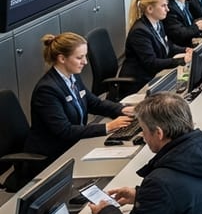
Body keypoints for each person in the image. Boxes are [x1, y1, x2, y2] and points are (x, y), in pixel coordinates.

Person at [25, 33, 135, 179]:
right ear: (62, 58)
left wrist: (122, 109)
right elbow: (64, 130)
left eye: (85, 56)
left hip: (74, 144)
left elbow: (93, 103)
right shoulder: (47, 90)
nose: (85, 62)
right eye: (79, 57)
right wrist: (108, 127)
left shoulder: (72, 76)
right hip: (54, 155)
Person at [120, 0, 192, 92]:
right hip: (140, 84)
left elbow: (168, 46)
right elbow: (151, 63)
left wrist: (185, 50)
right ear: (150, 9)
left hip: (155, 76)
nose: (168, 9)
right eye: (163, 6)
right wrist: (181, 60)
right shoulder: (140, 32)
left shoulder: (157, 23)